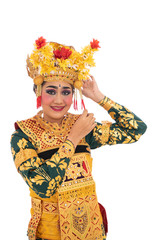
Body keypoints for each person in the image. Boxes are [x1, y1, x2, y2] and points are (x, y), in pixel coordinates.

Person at [10, 37, 147, 240]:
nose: (59, 100)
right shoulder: (23, 134)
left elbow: (135, 130)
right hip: (50, 235)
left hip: (92, 231)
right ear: (38, 92)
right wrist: (73, 139)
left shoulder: (82, 125)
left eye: (66, 92)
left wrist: (99, 97)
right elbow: (44, 186)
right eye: (51, 91)